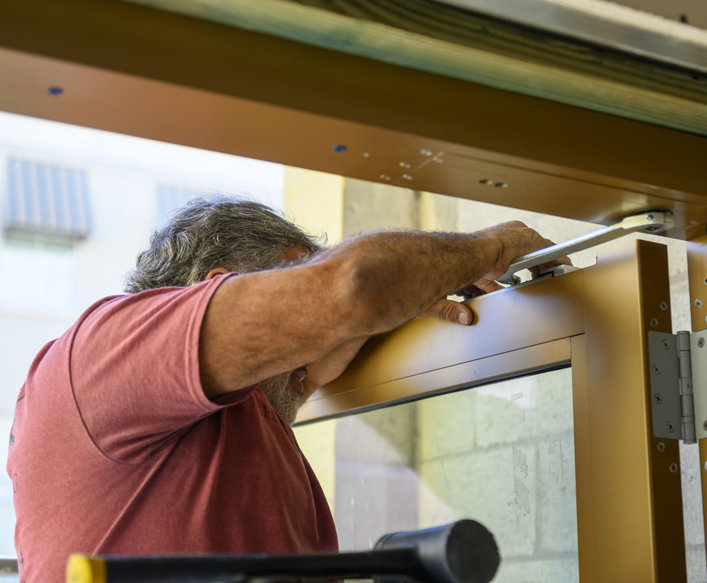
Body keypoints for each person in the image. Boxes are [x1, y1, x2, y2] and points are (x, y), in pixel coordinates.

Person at [6, 195, 565, 583]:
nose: (309, 371)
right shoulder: (105, 348)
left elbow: (339, 325)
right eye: (303, 277)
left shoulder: (227, 416)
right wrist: (486, 248)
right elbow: (354, 286)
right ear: (219, 290)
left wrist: (327, 351)